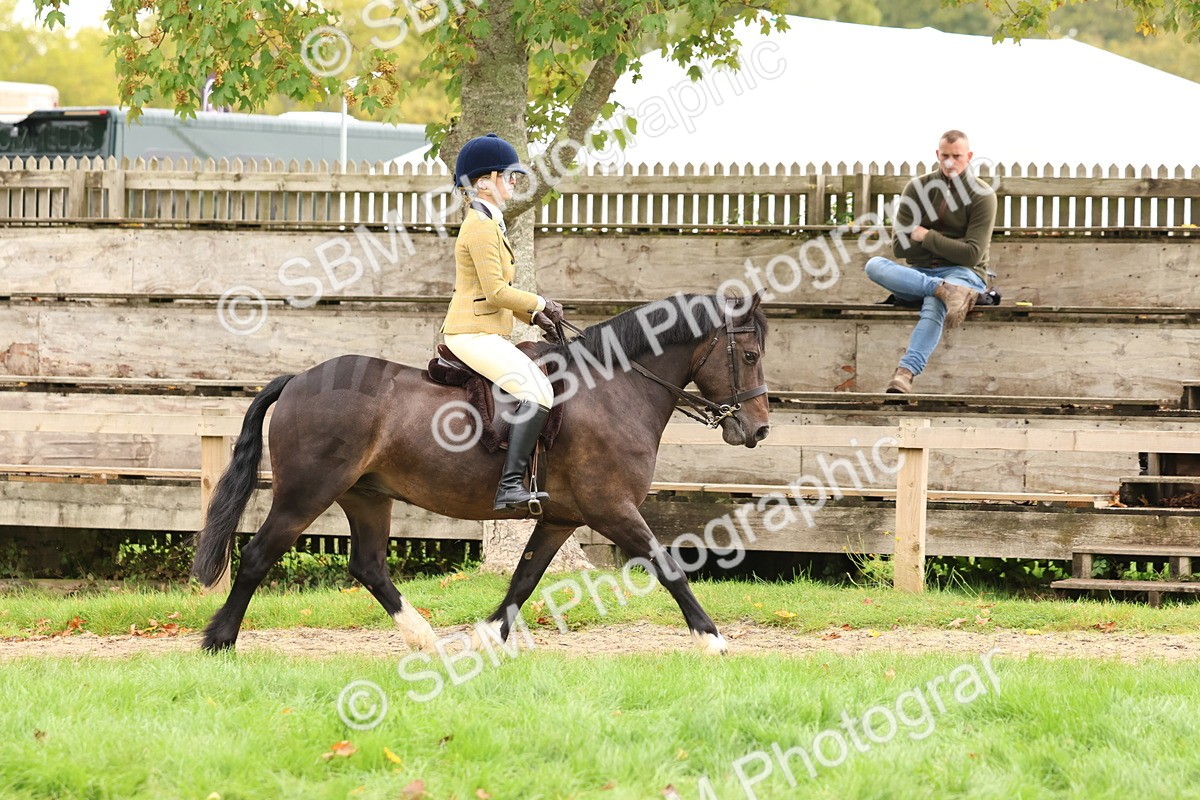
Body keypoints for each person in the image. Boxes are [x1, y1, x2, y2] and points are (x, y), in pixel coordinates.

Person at [441, 133, 564, 512]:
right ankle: (509, 486)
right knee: (539, 392)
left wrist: (534, 315)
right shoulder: (479, 226)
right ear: (484, 181)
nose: (514, 181)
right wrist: (541, 300)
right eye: (509, 175)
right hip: (471, 334)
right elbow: (495, 291)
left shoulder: (491, 223)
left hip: (485, 330)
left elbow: (493, 291)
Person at [864, 130, 997, 393]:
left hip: (965, 274)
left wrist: (925, 236)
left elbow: (972, 255)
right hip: (923, 274)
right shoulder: (917, 188)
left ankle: (905, 373)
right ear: (937, 155)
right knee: (874, 266)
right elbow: (901, 248)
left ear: (968, 157)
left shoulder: (983, 195)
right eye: (945, 156)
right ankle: (941, 288)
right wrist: (951, 246)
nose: (950, 162)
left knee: (934, 301)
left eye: (956, 156)